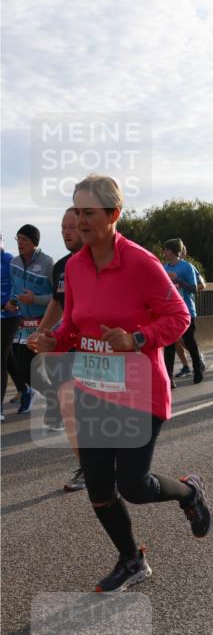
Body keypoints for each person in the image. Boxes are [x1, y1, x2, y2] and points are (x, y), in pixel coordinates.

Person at [30, 174, 213, 593]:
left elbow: (180, 317)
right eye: (76, 212)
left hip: (138, 389)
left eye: (88, 213)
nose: (80, 221)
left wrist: (138, 339)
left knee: (133, 486)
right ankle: (131, 559)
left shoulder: (141, 263)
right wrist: (54, 339)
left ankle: (189, 492)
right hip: (94, 388)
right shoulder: (75, 267)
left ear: (113, 214)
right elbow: (73, 324)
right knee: (98, 487)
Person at [29, 208, 86, 490]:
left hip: (97, 348)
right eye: (63, 227)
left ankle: (108, 461)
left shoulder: (101, 260)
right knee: (69, 406)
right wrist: (41, 332)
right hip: (67, 345)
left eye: (71, 226)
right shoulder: (62, 266)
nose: (66, 232)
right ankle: (87, 467)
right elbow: (57, 302)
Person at [5, 225, 54, 414]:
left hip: (45, 324)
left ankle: (56, 400)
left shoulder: (48, 263)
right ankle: (49, 396)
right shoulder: (14, 262)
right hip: (23, 324)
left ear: (34, 242)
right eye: (18, 238)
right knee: (22, 369)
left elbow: (58, 297)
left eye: (24, 239)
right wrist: (12, 301)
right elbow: (14, 288)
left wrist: (35, 300)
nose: (20, 242)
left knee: (42, 369)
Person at [162, 238, 204, 386]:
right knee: (169, 344)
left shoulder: (187, 267)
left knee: (190, 342)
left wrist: (178, 280)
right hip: (169, 311)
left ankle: (198, 370)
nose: (164, 252)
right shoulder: (164, 268)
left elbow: (194, 289)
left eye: (167, 249)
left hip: (186, 311)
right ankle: (168, 378)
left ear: (174, 251)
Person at [1, 234, 19, 421]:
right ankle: (24, 389)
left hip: (9, 316)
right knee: (8, 358)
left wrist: (11, 302)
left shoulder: (10, 260)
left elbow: (17, 285)